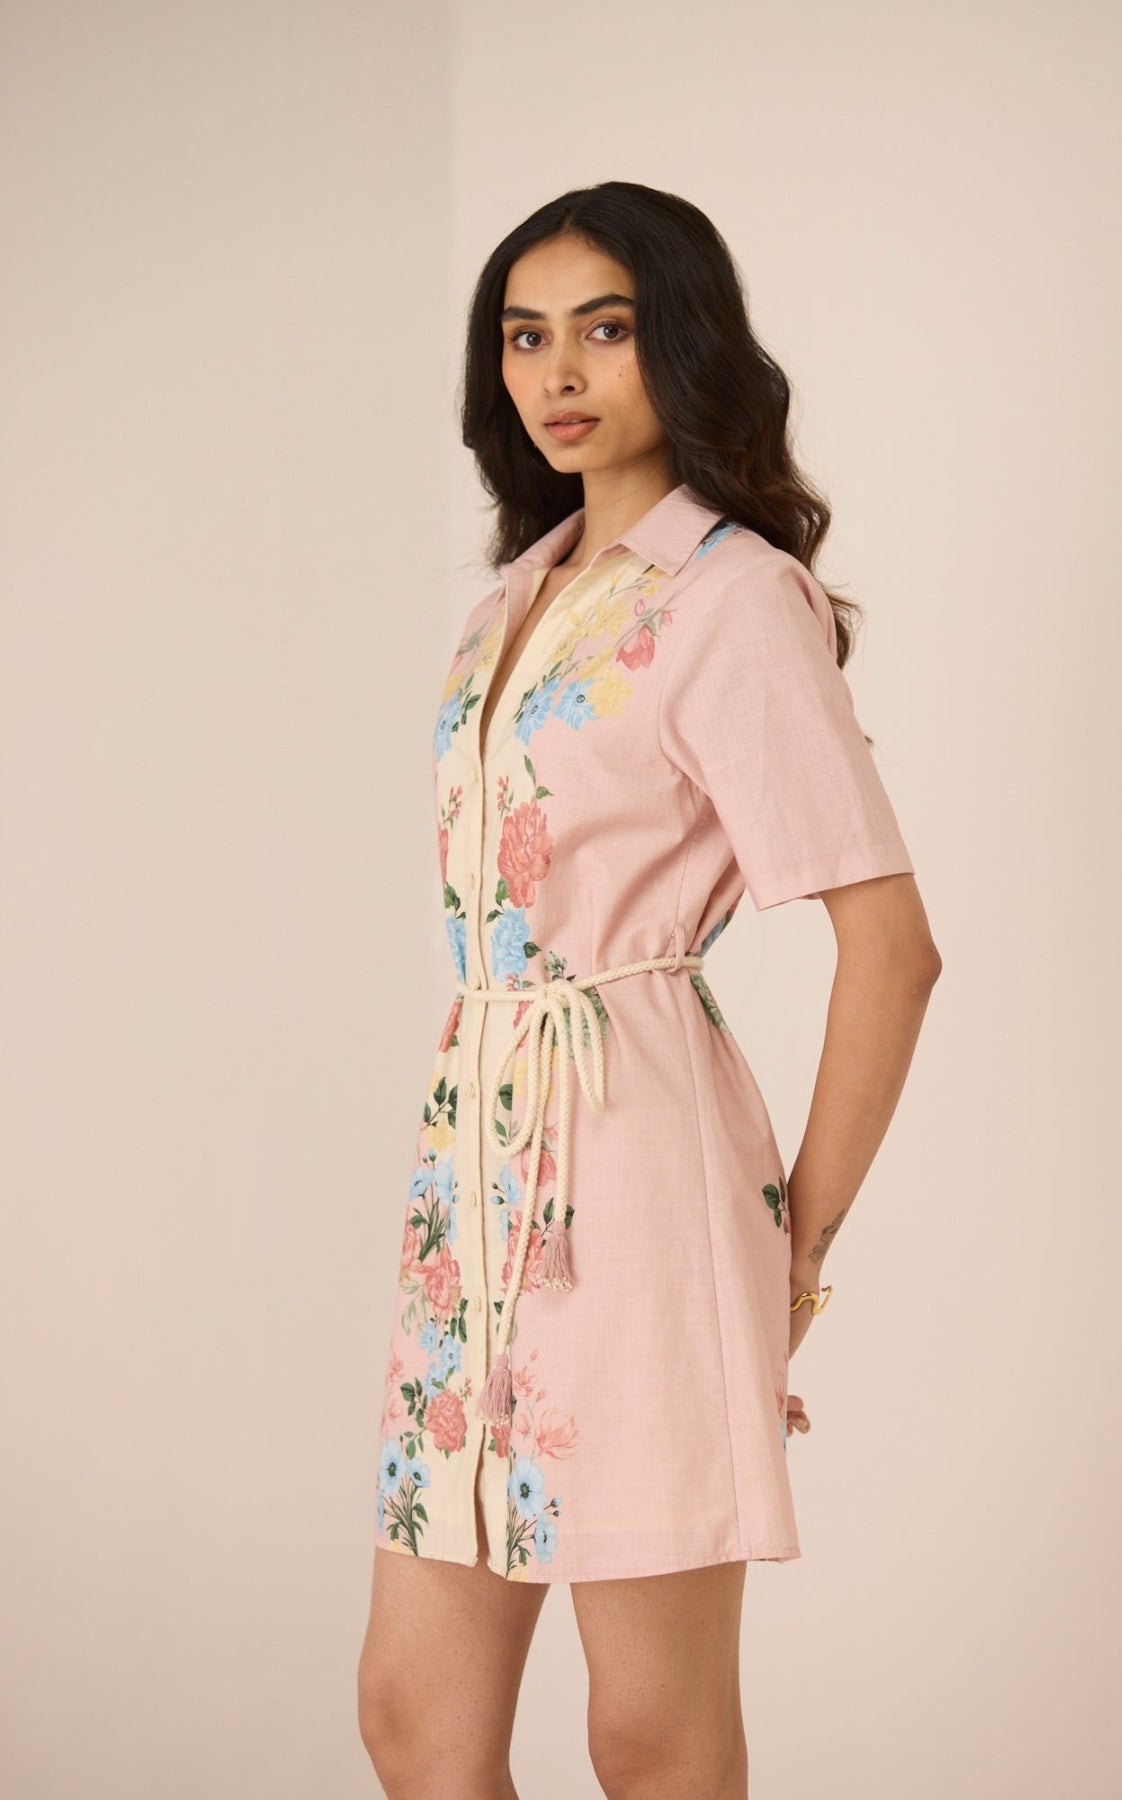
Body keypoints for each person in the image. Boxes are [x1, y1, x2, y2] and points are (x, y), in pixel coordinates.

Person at [357, 180, 942, 1800]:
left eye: (603, 331)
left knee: (649, 1732)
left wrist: (799, 1245)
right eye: (525, 336)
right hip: (470, 1194)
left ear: (679, 345)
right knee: (411, 1715)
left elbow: (893, 948)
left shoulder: (732, 598)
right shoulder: (515, 597)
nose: (558, 373)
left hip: (638, 1181)